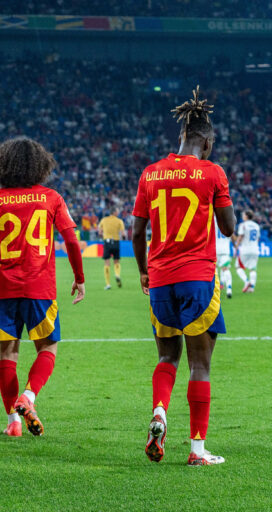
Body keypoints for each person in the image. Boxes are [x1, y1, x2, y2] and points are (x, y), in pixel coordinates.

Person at [132, 87, 235, 466]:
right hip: (198, 278)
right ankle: (197, 450)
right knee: (201, 364)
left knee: (166, 356)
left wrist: (144, 271)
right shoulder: (212, 172)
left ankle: (159, 412)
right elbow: (227, 228)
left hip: (159, 279)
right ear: (206, 142)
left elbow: (136, 233)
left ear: (180, 138)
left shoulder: (151, 173)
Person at [0, 137, 86, 437]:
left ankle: (12, 423)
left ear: (1, 166)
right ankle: (28, 397)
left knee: (8, 353)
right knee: (48, 347)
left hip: (4, 290)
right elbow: (71, 240)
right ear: (40, 166)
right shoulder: (51, 198)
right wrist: (79, 277)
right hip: (39, 288)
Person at [98, 209, 125, 289]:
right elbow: (123, 234)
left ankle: (108, 284)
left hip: (107, 242)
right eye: (117, 211)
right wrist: (123, 238)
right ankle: (117, 274)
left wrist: (102, 236)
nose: (118, 212)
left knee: (107, 262)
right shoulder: (119, 221)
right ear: (114, 213)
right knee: (116, 261)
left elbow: (99, 232)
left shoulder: (103, 220)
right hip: (116, 242)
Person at [234, 210, 260, 293]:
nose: (242, 216)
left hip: (245, 249)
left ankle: (246, 281)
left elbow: (240, 237)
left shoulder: (243, 225)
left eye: (243, 215)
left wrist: (236, 248)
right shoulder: (256, 226)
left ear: (246, 216)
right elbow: (258, 239)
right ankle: (252, 287)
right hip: (255, 249)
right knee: (252, 269)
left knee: (238, 267)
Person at [215, 219, 233, 298]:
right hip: (225, 250)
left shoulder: (212, 220)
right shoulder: (228, 220)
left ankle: (215, 290)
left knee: (214, 270)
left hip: (214, 249)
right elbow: (232, 236)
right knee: (225, 269)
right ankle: (229, 289)